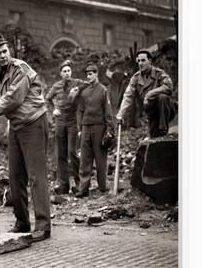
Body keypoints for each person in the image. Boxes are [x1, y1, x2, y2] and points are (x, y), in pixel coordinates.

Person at [0, 33, 51, 242]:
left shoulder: (20, 69)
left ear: (9, 52)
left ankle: (43, 226)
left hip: (34, 123)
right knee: (15, 177)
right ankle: (22, 222)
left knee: (36, 176)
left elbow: (13, 98)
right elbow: (3, 97)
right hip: (17, 126)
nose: (3, 56)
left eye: (5, 51)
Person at [72, 64, 114, 198]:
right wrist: (79, 128)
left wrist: (109, 129)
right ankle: (83, 189)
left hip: (99, 127)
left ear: (96, 74)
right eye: (87, 74)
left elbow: (108, 111)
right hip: (85, 127)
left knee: (100, 157)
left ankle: (102, 187)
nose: (88, 76)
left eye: (91, 74)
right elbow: (80, 110)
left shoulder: (103, 90)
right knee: (85, 158)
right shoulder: (84, 92)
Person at [116, 50, 175, 138]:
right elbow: (128, 96)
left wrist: (150, 94)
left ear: (150, 61)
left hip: (165, 109)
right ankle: (159, 132)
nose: (140, 63)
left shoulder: (159, 73)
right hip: (151, 112)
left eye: (143, 60)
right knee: (154, 138)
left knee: (162, 97)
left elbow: (169, 87)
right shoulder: (135, 78)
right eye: (138, 61)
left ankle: (163, 129)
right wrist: (121, 114)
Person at [45, 60, 83, 195]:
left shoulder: (77, 82)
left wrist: (78, 91)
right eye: (64, 71)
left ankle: (80, 184)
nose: (67, 73)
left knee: (72, 152)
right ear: (61, 73)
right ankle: (63, 185)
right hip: (60, 121)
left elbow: (89, 87)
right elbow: (47, 99)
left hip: (72, 120)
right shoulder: (56, 86)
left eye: (69, 71)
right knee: (60, 153)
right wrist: (53, 110)